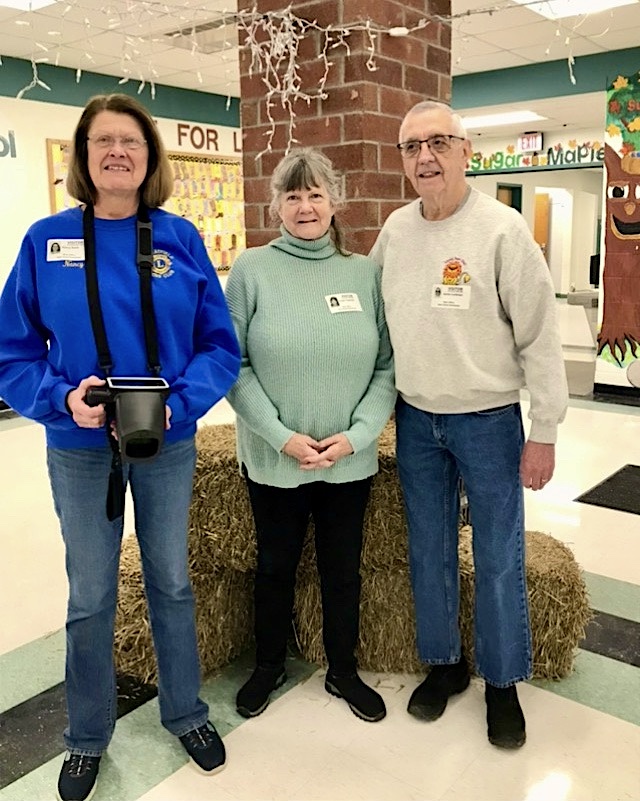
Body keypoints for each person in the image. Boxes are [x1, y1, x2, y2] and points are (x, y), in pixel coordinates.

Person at [0, 93, 240, 801]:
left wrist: (178, 404)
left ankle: (186, 712)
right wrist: (60, 399)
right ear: (83, 155)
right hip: (78, 447)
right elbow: (13, 352)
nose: (117, 152)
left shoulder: (180, 238)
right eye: (102, 140)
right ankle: (86, 735)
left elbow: (219, 346)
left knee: (171, 580)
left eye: (130, 141)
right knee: (91, 593)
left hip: (166, 442)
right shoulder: (45, 241)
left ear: (149, 156)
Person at [369, 100, 568, 749]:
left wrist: (544, 430)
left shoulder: (503, 230)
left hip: (488, 421)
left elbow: (540, 337)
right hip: (417, 419)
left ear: (465, 152)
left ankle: (503, 682)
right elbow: (371, 319)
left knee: (498, 555)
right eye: (411, 147)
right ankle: (445, 664)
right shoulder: (396, 231)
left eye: (438, 142)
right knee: (428, 548)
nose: (425, 157)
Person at [224, 147, 396, 724]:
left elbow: (387, 366)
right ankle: (268, 665)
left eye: (315, 194)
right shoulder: (251, 270)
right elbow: (232, 364)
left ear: (334, 202)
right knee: (274, 567)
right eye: (293, 195)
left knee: (341, 572)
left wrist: (358, 435)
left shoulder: (364, 273)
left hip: (348, 459)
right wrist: (280, 437)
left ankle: (343, 671)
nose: (305, 206)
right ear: (275, 205)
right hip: (277, 458)